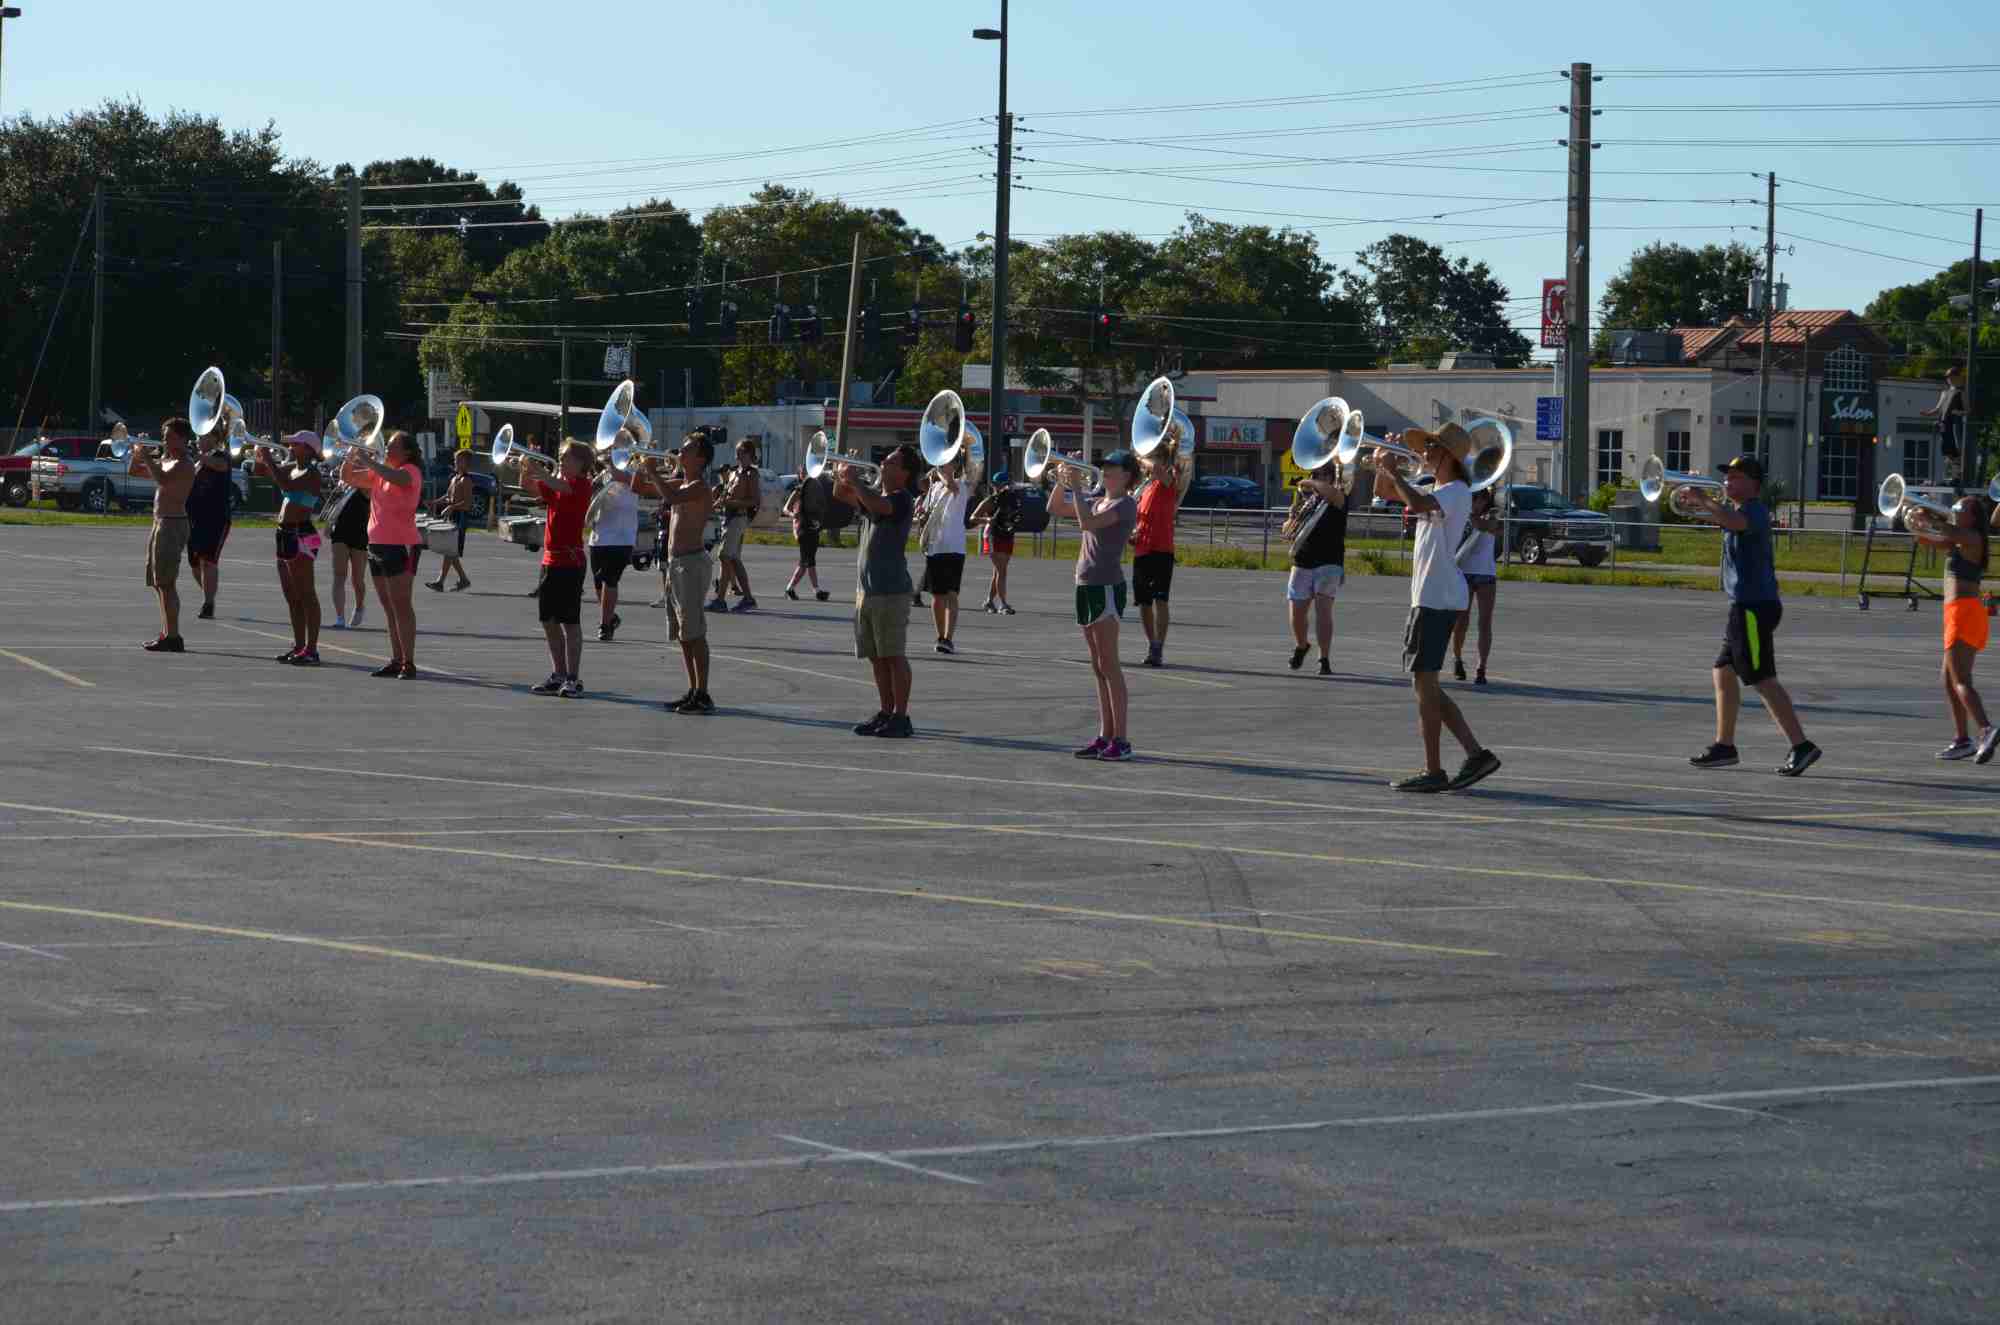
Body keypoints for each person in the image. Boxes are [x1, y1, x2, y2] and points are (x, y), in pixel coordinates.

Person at [1371, 425, 1502, 792]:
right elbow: (1384, 493)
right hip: (1429, 595)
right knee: (1425, 684)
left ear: (1448, 455)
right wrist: (1383, 467)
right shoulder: (1439, 490)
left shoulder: (1457, 491)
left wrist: (1395, 471)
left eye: (1431, 446)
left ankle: (1434, 769)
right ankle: (1475, 755)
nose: (1424, 451)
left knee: (1424, 683)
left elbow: (1416, 505)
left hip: (1438, 596)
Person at [1683, 454, 1821, 776]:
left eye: (1736, 477)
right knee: (1723, 671)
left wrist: (1704, 498)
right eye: (1727, 476)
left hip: (1754, 607)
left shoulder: (1754, 511)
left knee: (1762, 677)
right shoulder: (1736, 510)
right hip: (1744, 606)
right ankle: (1725, 746)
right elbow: (1720, 518)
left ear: (1753, 484)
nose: (1727, 482)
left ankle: (1801, 745)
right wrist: (1693, 501)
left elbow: (1733, 522)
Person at [1051, 451, 1140, 760]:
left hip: (1106, 585)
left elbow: (1086, 524)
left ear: (1127, 475)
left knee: (1109, 664)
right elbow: (1054, 508)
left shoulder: (1125, 504)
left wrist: (1076, 487)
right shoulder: (1097, 500)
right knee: (1097, 665)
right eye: (1105, 467)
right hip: (1085, 584)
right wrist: (1063, 480)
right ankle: (1105, 735)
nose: (1106, 472)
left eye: (1113, 468)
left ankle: (1122, 739)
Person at [834, 443, 921, 738]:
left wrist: (856, 481)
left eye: (891, 462)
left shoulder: (901, 499)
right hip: (868, 591)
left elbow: (878, 506)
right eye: (884, 460)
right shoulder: (875, 497)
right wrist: (841, 474)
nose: (883, 464)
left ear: (905, 473)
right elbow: (840, 495)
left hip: (890, 591)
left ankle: (901, 717)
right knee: (877, 657)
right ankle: (886, 712)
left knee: (894, 655)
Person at [1909, 493, 1996, 763]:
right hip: (1958, 613)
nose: (1955, 509)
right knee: (1948, 680)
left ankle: (1986, 729)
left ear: (1973, 517)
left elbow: (1945, 529)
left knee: (1961, 680)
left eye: (1960, 508)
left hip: (1964, 613)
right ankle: (1962, 740)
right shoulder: (1958, 541)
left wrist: (1929, 515)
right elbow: (1926, 539)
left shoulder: (1972, 538)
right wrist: (1914, 520)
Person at [635, 434, 719, 712]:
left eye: (687, 449)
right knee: (683, 633)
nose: (680, 452)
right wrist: (640, 465)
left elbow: (671, 498)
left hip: (692, 563)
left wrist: (652, 471)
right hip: (676, 563)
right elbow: (639, 488)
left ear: (701, 458)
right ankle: (693, 689)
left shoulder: (699, 487)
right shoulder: (680, 482)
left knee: (695, 631)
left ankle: (703, 694)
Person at [342, 430, 424, 678]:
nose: (386, 448)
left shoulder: (410, 471)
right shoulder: (380, 472)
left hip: (401, 545)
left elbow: (396, 478)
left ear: (406, 452)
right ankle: (396, 659)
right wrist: (350, 456)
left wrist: (368, 461)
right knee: (389, 607)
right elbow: (348, 478)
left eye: (392, 445)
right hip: (377, 544)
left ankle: (409, 662)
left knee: (401, 605)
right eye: (387, 444)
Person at [516, 440, 594, 697]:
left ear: (581, 463)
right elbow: (529, 487)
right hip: (550, 561)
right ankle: (558, 673)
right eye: (560, 456)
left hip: (570, 562)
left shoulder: (581, 484)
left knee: (570, 622)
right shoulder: (558, 483)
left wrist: (539, 470)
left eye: (565, 457)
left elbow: (558, 485)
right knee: (548, 620)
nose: (560, 460)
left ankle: (573, 678)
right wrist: (524, 469)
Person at [129, 416, 201, 653]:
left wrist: (148, 457)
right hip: (160, 522)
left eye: (169, 436)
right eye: (164, 436)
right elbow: (134, 472)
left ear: (182, 439)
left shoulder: (185, 464)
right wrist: (137, 454)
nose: (164, 440)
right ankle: (167, 633)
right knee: (159, 583)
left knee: (167, 583)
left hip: (173, 524)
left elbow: (163, 480)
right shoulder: (166, 460)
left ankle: (173, 636)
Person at [255, 430, 326, 666]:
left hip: (302, 533)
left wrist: (269, 459)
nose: (291, 447)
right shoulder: (291, 467)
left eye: (296, 444)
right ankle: (298, 646)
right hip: (285, 533)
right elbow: (261, 473)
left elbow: (285, 484)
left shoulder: (311, 473)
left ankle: (312, 650)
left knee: (307, 594)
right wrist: (259, 456)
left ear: (309, 449)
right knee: (292, 596)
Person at [1281, 460, 1348, 677]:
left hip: (1329, 561)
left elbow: (1331, 493)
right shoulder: (1307, 502)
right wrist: (1291, 518)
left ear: (1330, 477)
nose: (1315, 479)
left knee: (1323, 611)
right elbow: (1287, 532)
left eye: (1320, 475)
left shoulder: (1338, 496)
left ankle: (1324, 658)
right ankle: (1302, 645)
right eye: (1314, 475)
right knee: (1297, 613)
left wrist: (1310, 483)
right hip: (1302, 561)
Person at [1132, 437, 1192, 667]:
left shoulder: (1169, 481)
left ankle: (1158, 647)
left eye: (1152, 457)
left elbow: (1156, 469)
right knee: (1143, 602)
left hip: (1161, 549)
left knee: (1160, 599)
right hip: (1142, 548)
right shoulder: (1145, 488)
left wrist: (1139, 458)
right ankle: (1152, 644)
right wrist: (1133, 533)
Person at [920, 456, 973, 654]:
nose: (941, 466)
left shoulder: (961, 485)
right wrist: (922, 515)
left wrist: (941, 474)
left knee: (951, 594)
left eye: (946, 463)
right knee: (937, 595)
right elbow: (927, 511)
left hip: (954, 547)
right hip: (935, 546)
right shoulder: (934, 488)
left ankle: (949, 638)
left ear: (955, 466)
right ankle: (940, 636)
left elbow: (952, 487)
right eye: (940, 463)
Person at [1451, 486, 1501, 685]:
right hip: (1464, 572)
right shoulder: (1461, 516)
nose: (1476, 503)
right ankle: (1457, 659)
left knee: (1485, 622)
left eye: (1479, 500)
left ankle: (1482, 667)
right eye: (1473, 499)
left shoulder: (1492, 515)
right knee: (1461, 621)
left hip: (1486, 574)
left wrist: (1469, 513)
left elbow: (1485, 526)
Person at [586, 457, 638, 642]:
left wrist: (608, 462)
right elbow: (592, 494)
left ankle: (605, 625)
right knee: (598, 584)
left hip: (622, 537)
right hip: (598, 536)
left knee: (610, 579)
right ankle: (610, 616)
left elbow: (622, 477)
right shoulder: (604, 473)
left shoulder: (634, 469)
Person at [184, 430, 235, 622]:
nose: (198, 440)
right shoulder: (198, 461)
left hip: (216, 518)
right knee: (194, 564)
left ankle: (208, 603)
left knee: (208, 561)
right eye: (197, 437)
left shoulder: (222, 456)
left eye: (202, 437)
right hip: (193, 517)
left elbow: (219, 466)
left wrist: (197, 456)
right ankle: (209, 594)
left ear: (214, 438)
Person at [711, 438, 760, 612]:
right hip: (729, 517)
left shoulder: (751, 474)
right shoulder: (734, 472)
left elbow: (754, 501)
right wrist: (718, 501)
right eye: (736, 452)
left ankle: (720, 600)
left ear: (750, 454)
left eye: (741, 453)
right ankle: (748, 598)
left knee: (724, 555)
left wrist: (731, 503)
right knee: (733, 558)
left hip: (739, 517)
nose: (737, 456)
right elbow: (727, 494)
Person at [327, 461, 372, 630]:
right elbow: (334, 506)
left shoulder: (366, 485)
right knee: (339, 575)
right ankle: (340, 617)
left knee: (357, 580)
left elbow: (362, 484)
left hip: (360, 534)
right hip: (340, 532)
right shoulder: (344, 485)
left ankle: (359, 606)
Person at [969, 472, 1021, 615]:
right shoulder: (990, 501)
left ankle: (989, 601)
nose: (1006, 487)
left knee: (999, 571)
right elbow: (972, 517)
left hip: (1007, 535)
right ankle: (1003, 604)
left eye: (1007, 484)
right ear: (996, 486)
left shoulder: (1012, 499)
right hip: (993, 536)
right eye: (1003, 485)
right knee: (1002, 570)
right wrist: (987, 520)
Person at [425, 449, 475, 593]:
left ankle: (444, 582)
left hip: (460, 517)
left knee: (450, 550)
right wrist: (434, 502)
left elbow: (467, 503)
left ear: (467, 463)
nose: (455, 462)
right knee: (449, 550)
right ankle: (455, 580)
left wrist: (452, 507)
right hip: (452, 516)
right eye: (455, 460)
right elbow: (447, 496)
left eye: (459, 460)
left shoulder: (466, 480)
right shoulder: (455, 478)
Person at [781, 460, 830, 601]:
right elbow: (785, 508)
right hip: (803, 528)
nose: (805, 475)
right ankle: (815, 591)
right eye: (802, 473)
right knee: (808, 561)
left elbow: (820, 507)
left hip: (813, 528)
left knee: (806, 562)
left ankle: (791, 589)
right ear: (799, 475)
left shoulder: (815, 489)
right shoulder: (799, 490)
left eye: (807, 472)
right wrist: (793, 515)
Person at [1921, 366, 1966, 488]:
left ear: (1957, 377)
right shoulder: (1945, 393)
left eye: (1951, 377)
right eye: (1948, 377)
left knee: (1955, 452)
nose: (1949, 379)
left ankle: (1957, 477)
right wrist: (1927, 413)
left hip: (1954, 425)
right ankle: (1954, 476)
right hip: (1944, 425)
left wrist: (1958, 412)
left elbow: (1968, 410)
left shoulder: (1960, 393)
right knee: (1947, 452)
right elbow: (1938, 409)